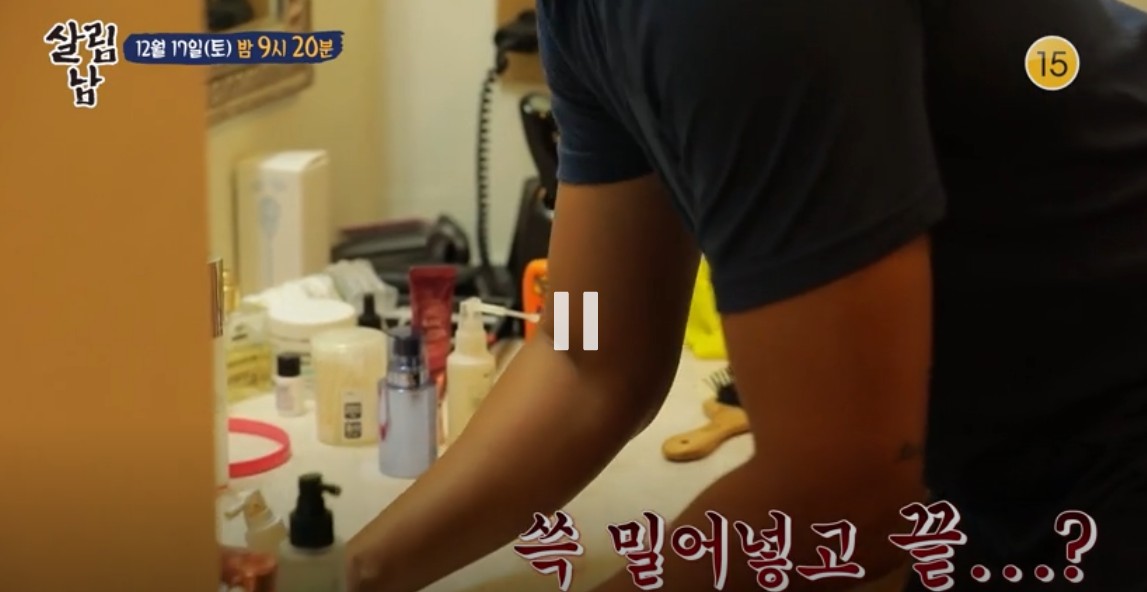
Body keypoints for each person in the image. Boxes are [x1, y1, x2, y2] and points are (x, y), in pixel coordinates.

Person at [347, 1, 1147, 590]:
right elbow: (584, 356)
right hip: (1000, 457)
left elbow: (842, 494)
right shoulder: (583, 16)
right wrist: (361, 574)